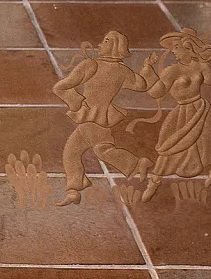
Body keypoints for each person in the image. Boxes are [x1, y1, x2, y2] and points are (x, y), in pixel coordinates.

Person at [140, 28, 211, 202]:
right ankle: (153, 185)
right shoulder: (171, 71)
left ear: (188, 47)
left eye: (176, 47)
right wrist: (148, 70)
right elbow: (156, 92)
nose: (173, 51)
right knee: (171, 148)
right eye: (173, 48)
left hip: (201, 108)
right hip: (182, 112)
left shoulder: (202, 66)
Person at [52, 31, 156, 206]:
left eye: (106, 41)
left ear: (116, 45)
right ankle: (74, 188)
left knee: (100, 150)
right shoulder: (123, 70)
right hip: (101, 116)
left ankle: (137, 164)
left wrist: (77, 103)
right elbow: (142, 85)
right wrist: (148, 68)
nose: (100, 44)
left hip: (91, 116)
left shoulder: (91, 65)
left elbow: (60, 87)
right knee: (73, 151)